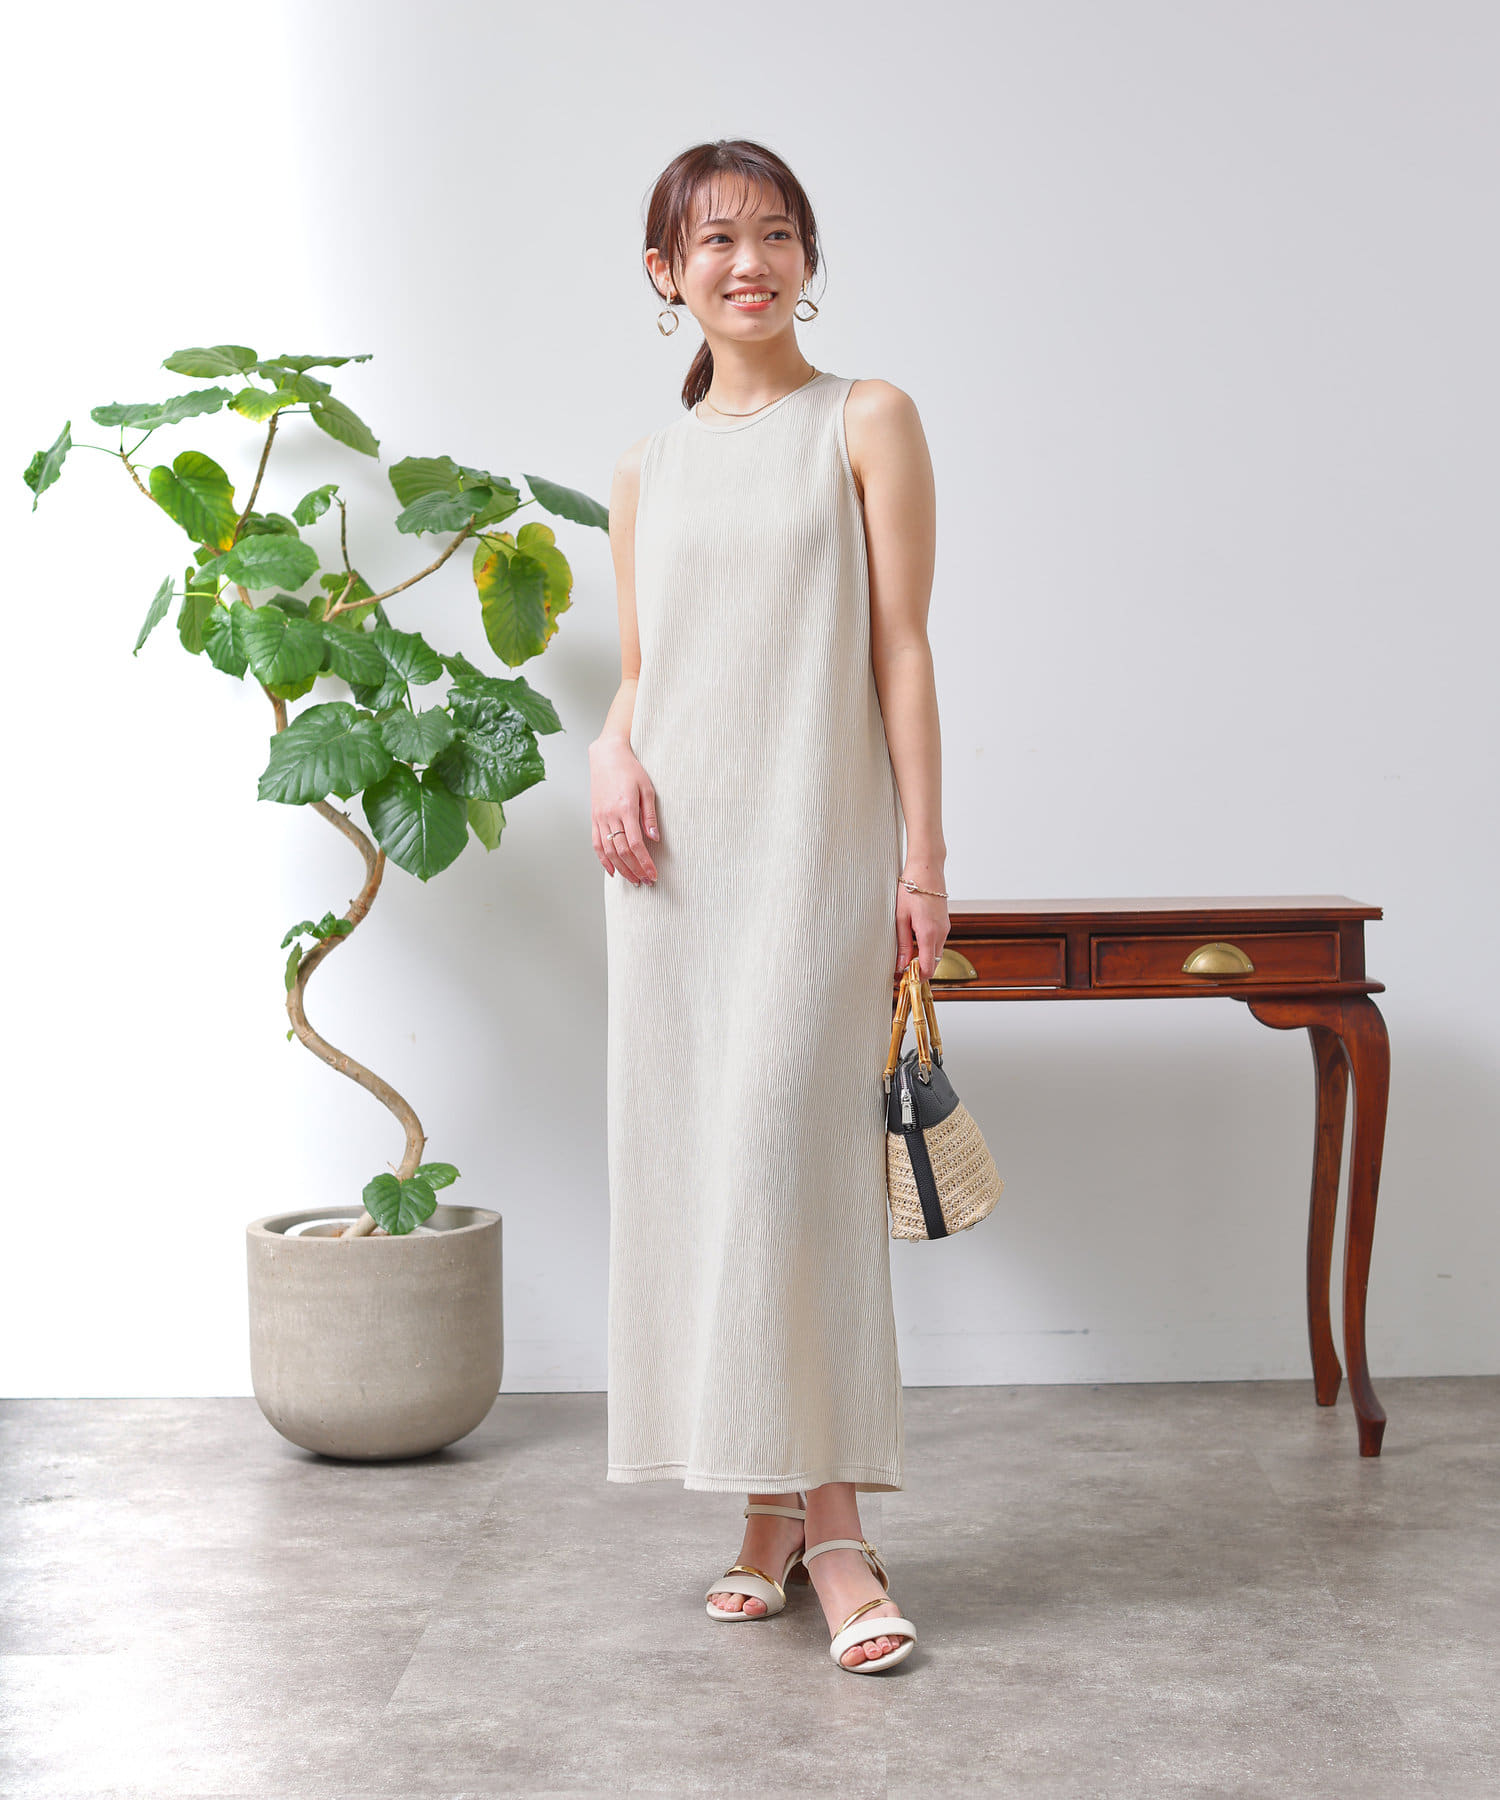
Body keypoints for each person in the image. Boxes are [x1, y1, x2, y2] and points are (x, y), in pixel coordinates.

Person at [590, 139, 948, 1674]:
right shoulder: (644, 470)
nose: (751, 262)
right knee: (705, 1175)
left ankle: (837, 1531)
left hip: (813, 849)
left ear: (809, 258)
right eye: (717, 240)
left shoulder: (865, 419)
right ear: (665, 274)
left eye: (778, 234)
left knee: (791, 1169)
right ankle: (766, 1513)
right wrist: (607, 750)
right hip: (673, 870)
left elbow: (903, 648)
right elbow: (645, 669)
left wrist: (923, 864)